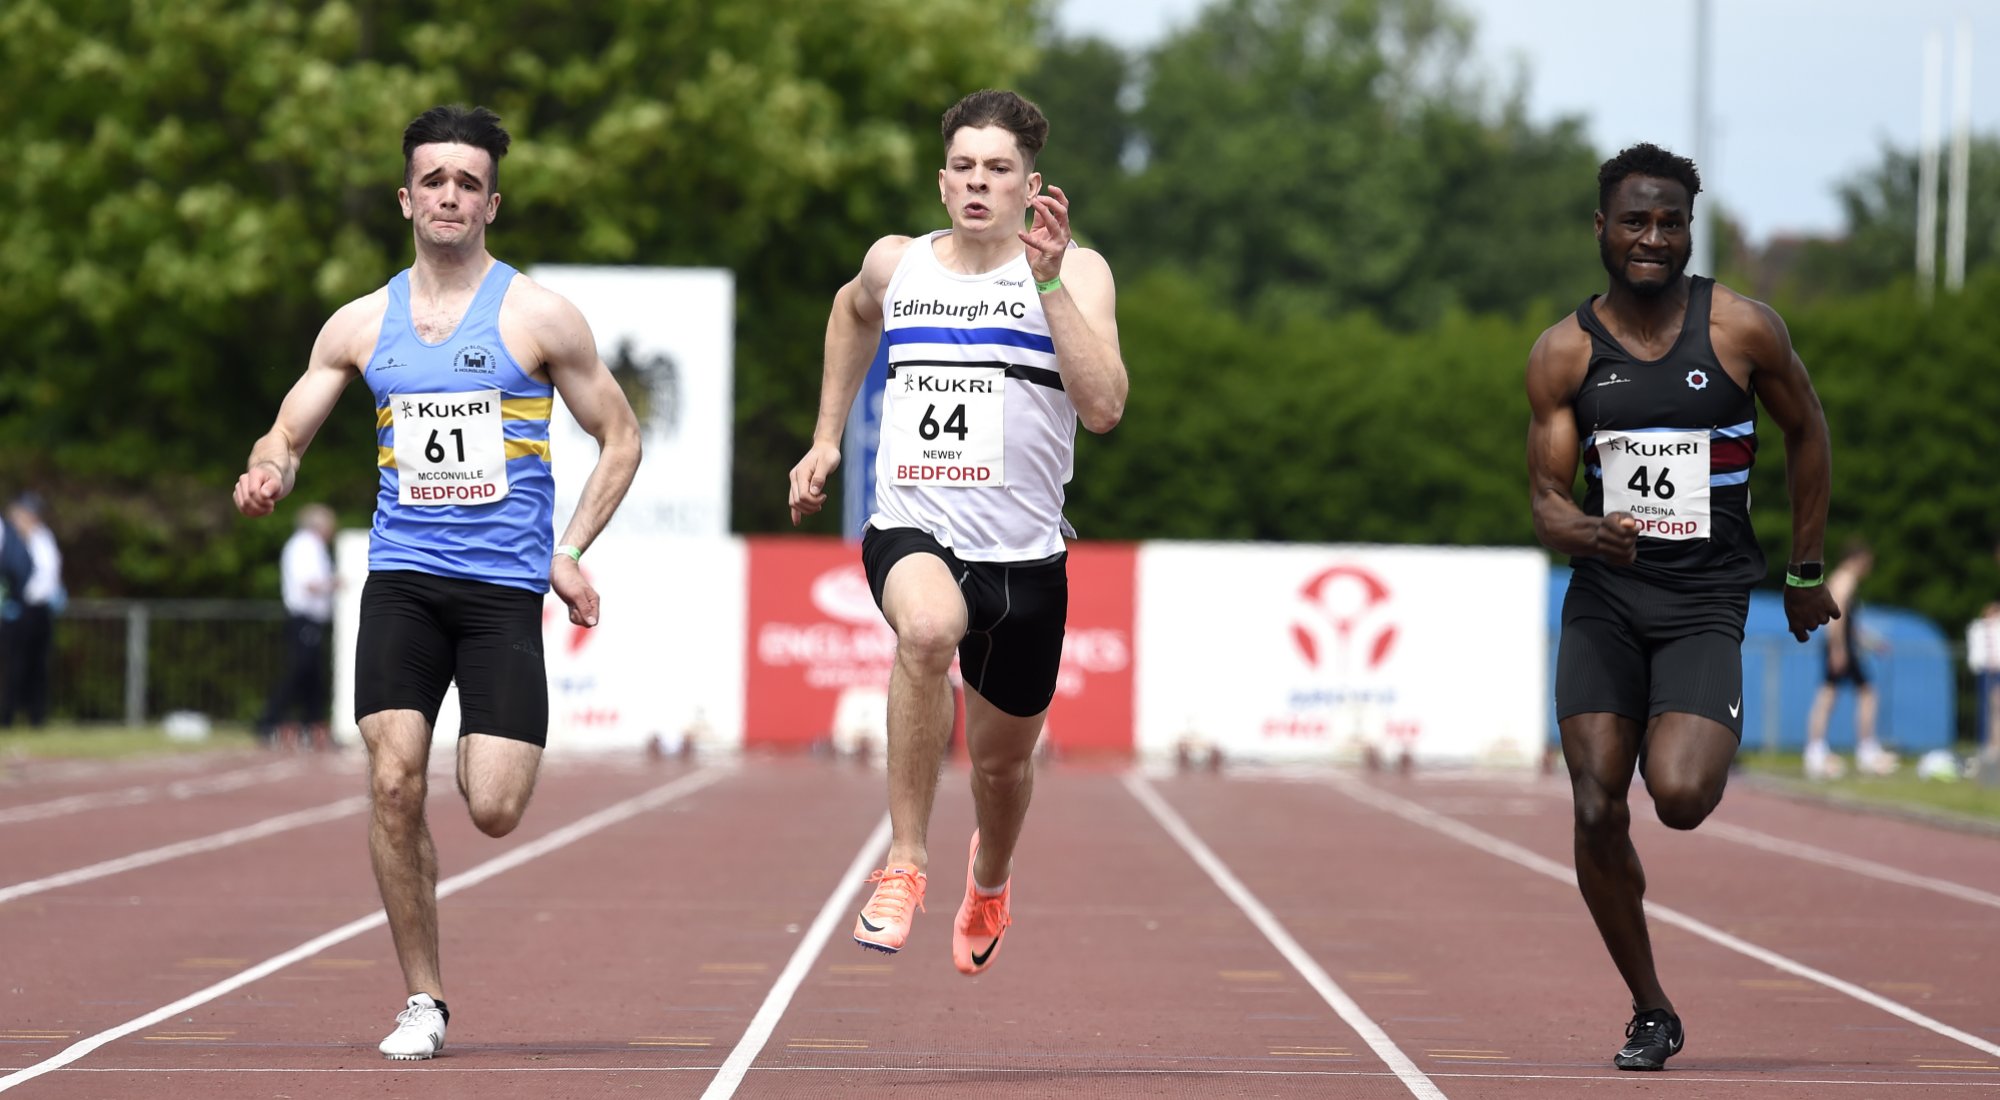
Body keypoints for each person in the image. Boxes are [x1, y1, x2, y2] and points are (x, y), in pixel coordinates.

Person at [232, 105, 640, 1060]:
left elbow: (618, 436)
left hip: (501, 592)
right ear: (406, 196)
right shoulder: (360, 324)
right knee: (391, 781)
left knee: (493, 808)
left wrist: (568, 549)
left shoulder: (538, 316)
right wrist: (269, 469)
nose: (450, 195)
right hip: (403, 582)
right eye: (434, 180)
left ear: (490, 202)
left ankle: (469, 754)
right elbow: (287, 432)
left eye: (468, 182)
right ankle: (424, 1000)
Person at [787, 89, 1126, 976]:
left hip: (1025, 561)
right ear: (943, 183)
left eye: (999, 170)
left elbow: (1105, 409)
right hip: (912, 528)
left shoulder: (1077, 273)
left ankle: (991, 874)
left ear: (1031, 185)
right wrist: (826, 437)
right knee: (927, 633)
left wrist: (1048, 281)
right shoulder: (896, 265)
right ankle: (905, 862)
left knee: (1002, 770)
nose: (980, 184)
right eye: (966, 169)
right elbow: (849, 315)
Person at [1525, 143, 1839, 1071]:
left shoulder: (1743, 329)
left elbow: (1807, 429)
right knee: (1593, 807)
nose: (1653, 239)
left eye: (1670, 222)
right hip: (1606, 603)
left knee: (1684, 797)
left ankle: (1673, 794)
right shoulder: (1564, 352)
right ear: (1601, 230)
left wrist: (1804, 568)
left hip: (1704, 601)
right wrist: (1587, 533)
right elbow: (1545, 500)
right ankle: (1651, 1008)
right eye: (1635, 221)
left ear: (1688, 229)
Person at [1802, 543, 1896, 778]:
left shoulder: (1842, 579)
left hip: (1844, 645)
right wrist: (1838, 649)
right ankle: (1855, 749)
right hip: (1840, 646)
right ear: (1858, 559)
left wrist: (1871, 643)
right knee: (1847, 694)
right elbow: (1836, 615)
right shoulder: (1845, 579)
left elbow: (1850, 623)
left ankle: (1821, 750)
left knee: (1840, 693)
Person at [259, 504, 338, 752]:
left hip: (311, 619)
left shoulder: (311, 546)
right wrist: (336, 583)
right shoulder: (305, 546)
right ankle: (269, 721)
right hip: (304, 617)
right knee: (299, 671)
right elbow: (309, 583)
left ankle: (311, 724)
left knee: (312, 674)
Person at [1, 493, 63, 729]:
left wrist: (54, 593)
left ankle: (36, 717)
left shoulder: (44, 538)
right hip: (18, 608)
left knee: (38, 665)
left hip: (40, 609)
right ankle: (7, 716)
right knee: (13, 664)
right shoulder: (10, 539)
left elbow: (49, 573)